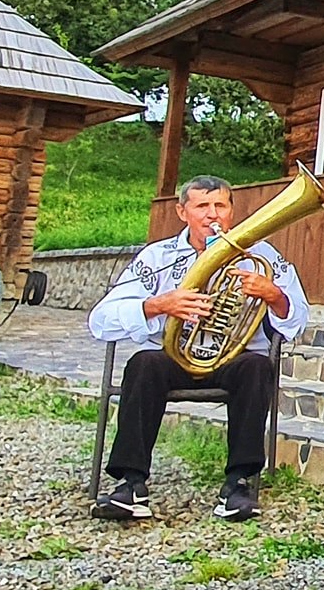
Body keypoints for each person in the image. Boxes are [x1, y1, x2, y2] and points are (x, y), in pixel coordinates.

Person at [88, 175, 310, 523]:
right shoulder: (157, 257)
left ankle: (239, 483)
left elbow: (296, 320)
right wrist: (159, 305)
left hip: (231, 359)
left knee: (257, 367)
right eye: (202, 206)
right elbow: (100, 320)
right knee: (143, 364)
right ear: (182, 211)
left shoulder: (261, 255)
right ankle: (131, 483)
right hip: (173, 359)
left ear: (232, 211)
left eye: (220, 206)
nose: (213, 215)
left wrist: (273, 295)